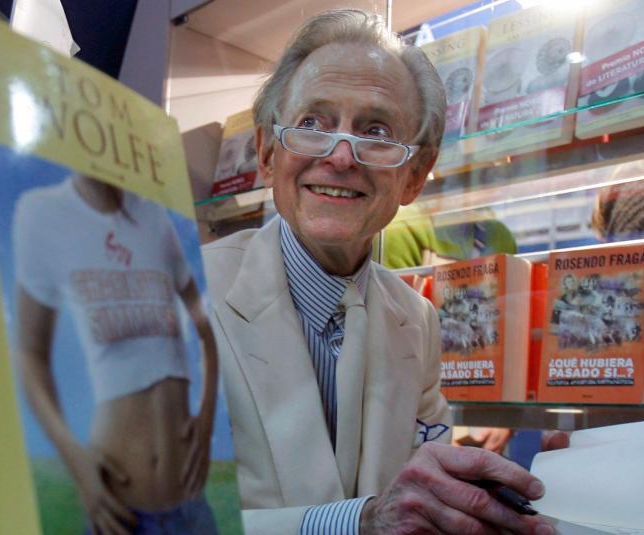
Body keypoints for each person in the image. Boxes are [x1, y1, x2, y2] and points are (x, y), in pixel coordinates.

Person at [201, 9, 563, 534]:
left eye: (375, 131)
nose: (341, 156)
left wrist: (515, 494)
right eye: (312, 124)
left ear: (414, 176)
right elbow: (135, 518)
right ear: (266, 152)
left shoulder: (417, 318)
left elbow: (419, 496)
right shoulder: (178, 292)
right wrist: (356, 523)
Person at [13, 174, 220, 535]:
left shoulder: (154, 216)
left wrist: (205, 424)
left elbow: (204, 327)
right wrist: (75, 460)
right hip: (121, 513)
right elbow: (29, 352)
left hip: (191, 507)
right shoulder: (42, 213)